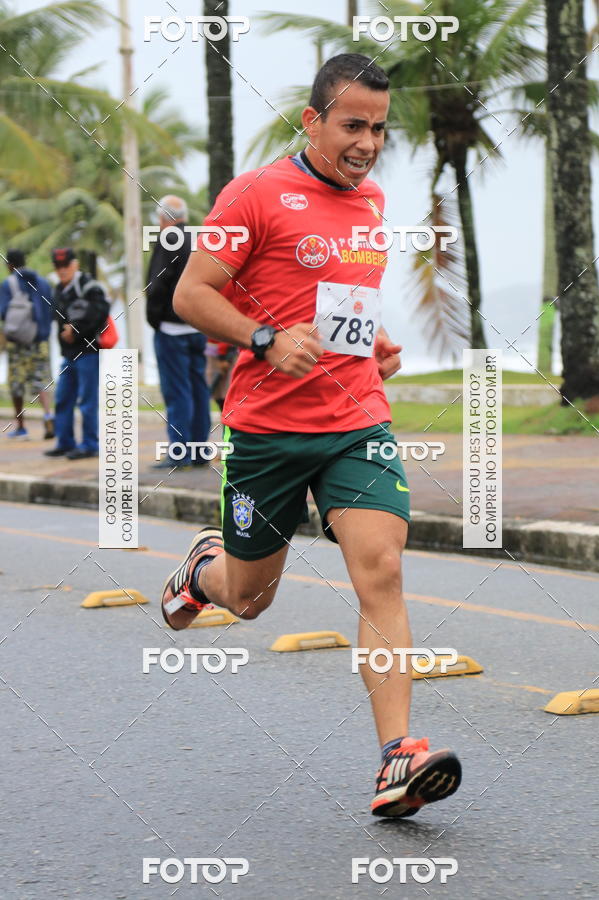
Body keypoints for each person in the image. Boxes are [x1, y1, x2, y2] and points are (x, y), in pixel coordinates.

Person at [160, 54, 461, 819]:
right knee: (250, 598)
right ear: (313, 119)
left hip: (355, 421)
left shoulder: (371, 203)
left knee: (381, 571)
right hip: (267, 432)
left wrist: (376, 344)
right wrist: (261, 338)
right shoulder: (254, 194)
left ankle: (397, 758)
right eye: (353, 125)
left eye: (380, 128)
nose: (367, 142)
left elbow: (337, 308)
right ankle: (204, 573)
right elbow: (189, 293)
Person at [146, 195, 210, 468]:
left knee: (178, 392)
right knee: (198, 390)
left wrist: (154, 319)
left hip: (172, 330)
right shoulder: (197, 239)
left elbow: (158, 286)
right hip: (198, 327)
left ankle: (180, 451)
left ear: (163, 219)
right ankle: (198, 451)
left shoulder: (168, 239)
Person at [44, 248, 109, 460]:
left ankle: (90, 444)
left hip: (88, 352)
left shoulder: (89, 286)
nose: (62, 270)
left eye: (66, 265)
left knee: (87, 401)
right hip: (68, 354)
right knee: (62, 398)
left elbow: (101, 312)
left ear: (75, 264)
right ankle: (65, 442)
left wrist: (76, 329)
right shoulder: (58, 290)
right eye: (58, 266)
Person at [0, 249, 54, 440]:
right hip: (40, 341)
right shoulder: (44, 283)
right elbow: (52, 310)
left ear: (10, 265)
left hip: (17, 343)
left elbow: (3, 311)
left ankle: (21, 427)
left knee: (17, 384)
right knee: (41, 381)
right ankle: (48, 416)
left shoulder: (9, 284)